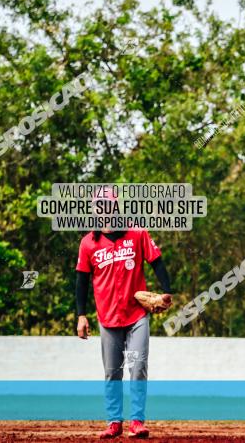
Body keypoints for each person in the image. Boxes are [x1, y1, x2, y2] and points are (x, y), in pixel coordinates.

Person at [75, 186, 172, 439]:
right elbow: (82, 281)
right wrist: (81, 315)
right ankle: (114, 422)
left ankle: (137, 421)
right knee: (112, 371)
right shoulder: (88, 243)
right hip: (107, 318)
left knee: (137, 366)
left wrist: (166, 292)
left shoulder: (137, 233)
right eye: (99, 209)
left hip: (136, 316)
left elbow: (157, 262)